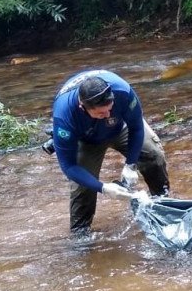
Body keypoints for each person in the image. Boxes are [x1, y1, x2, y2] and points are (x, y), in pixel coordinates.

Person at [51, 69, 169, 233]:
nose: (107, 115)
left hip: (121, 127)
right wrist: (103, 187)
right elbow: (68, 166)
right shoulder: (64, 116)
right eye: (101, 112)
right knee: (83, 186)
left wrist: (131, 164)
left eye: (109, 108)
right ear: (82, 107)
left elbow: (136, 127)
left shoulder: (123, 91)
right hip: (86, 140)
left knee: (154, 155)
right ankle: (81, 235)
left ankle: (163, 204)